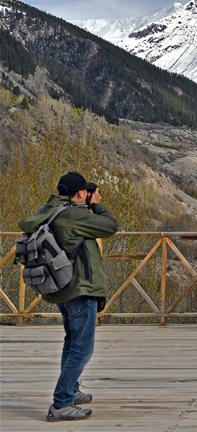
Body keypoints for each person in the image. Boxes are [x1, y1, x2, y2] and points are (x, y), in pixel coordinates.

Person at [19, 172, 118, 422]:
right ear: (80, 193)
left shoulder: (52, 209)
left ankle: (71, 390)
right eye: (87, 191)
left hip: (62, 287)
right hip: (80, 288)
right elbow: (110, 226)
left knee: (72, 341)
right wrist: (97, 205)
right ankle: (62, 402)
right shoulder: (74, 215)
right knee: (82, 349)